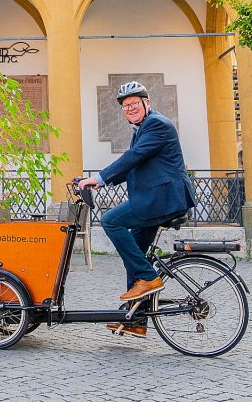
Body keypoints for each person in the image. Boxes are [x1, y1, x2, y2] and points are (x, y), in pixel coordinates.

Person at [75, 81, 195, 337]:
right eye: (126, 105)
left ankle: (149, 278)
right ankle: (135, 320)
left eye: (134, 104)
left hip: (163, 199)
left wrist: (98, 178)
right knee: (136, 254)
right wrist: (101, 183)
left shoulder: (156, 124)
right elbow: (134, 164)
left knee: (111, 221)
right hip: (158, 198)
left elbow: (133, 157)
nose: (130, 108)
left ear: (146, 103)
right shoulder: (142, 128)